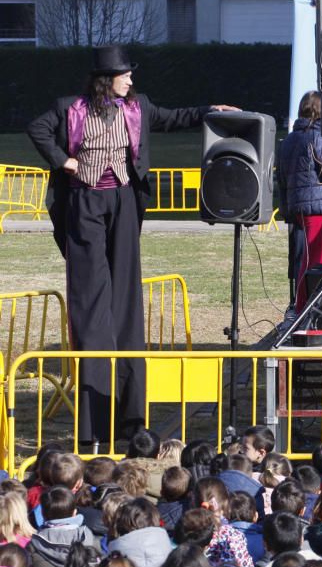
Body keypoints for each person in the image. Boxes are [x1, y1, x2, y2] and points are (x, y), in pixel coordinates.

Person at [26, 45, 237, 447]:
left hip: (123, 201)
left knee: (125, 301)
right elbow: (36, 129)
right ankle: (93, 426)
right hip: (85, 202)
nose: (131, 80)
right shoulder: (71, 108)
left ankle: (129, 418)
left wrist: (211, 109)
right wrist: (63, 161)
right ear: (108, 79)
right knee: (90, 305)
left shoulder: (137, 107)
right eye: (126, 75)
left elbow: (176, 118)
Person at [276, 90, 322, 314]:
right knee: (318, 257)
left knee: (308, 256)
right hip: (317, 203)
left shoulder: (291, 138)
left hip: (298, 204)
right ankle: (312, 307)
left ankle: (304, 304)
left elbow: (282, 176)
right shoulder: (318, 136)